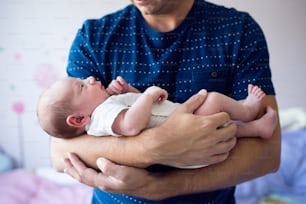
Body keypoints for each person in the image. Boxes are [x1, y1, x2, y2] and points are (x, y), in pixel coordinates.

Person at [50, 0, 281, 203]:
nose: (89, 82)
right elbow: (61, 151)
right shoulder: (94, 37)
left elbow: (267, 154)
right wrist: (153, 147)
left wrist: (158, 187)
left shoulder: (237, 30)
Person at [38, 75, 276, 141]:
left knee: (221, 128)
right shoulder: (101, 115)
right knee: (212, 101)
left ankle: (255, 130)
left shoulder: (103, 112)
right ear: (79, 119)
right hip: (183, 127)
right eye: (81, 87)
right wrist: (149, 94)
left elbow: (134, 108)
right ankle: (247, 111)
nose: (90, 78)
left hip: (186, 131)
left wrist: (127, 91)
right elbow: (132, 125)